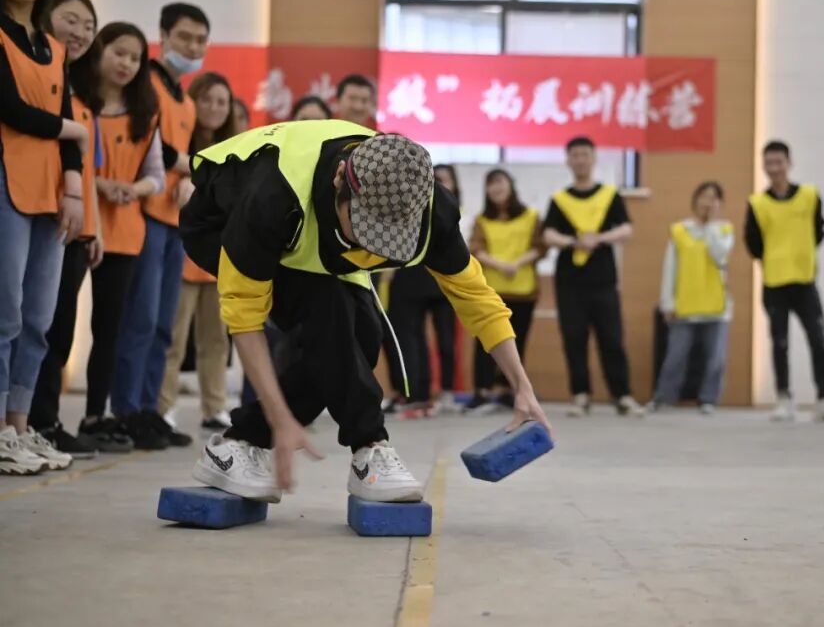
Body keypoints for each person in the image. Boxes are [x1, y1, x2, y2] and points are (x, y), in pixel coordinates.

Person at [179, 121, 551, 503]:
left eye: (391, 237)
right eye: (368, 229)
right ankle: (369, 447)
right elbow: (245, 321)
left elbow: (478, 300)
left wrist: (522, 386)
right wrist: (280, 418)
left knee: (366, 339)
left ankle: (236, 446)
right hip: (221, 221)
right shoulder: (273, 196)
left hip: (320, 244)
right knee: (329, 315)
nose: (375, 247)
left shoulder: (430, 209)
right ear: (340, 179)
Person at [0, 0, 89, 475]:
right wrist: (72, 129)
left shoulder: (52, 46)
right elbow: (10, 109)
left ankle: (18, 425)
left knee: (38, 317)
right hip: (6, 180)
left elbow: (66, 123)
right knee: (4, 313)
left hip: (51, 190)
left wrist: (73, 188)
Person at [110, 2, 208, 447]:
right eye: (184, 37)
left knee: (165, 324)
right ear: (164, 36)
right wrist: (189, 163)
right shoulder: (144, 82)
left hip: (174, 221)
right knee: (141, 318)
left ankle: (150, 410)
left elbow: (177, 158)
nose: (192, 46)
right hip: (144, 214)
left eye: (200, 40)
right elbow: (155, 147)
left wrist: (187, 173)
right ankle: (126, 410)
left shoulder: (186, 100)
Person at [67, 22, 166, 451]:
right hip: (77, 225)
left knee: (109, 329)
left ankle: (95, 416)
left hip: (125, 232)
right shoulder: (75, 101)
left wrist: (132, 188)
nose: (126, 63)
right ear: (99, 50)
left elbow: (156, 175)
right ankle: (36, 415)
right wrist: (99, 185)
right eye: (119, 53)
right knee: (56, 323)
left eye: (135, 58)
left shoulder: (146, 113)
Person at [27, 0, 102, 459]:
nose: (80, 32)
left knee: (57, 327)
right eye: (71, 20)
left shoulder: (81, 91)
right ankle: (27, 420)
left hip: (74, 222)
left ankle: (44, 420)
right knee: (28, 322)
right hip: (35, 207)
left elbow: (86, 167)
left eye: (88, 26)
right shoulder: (36, 76)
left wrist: (94, 229)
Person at [158, 72, 238, 431]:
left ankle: (215, 407)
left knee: (216, 338)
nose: (214, 108)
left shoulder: (235, 149)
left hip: (219, 259)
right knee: (173, 336)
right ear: (193, 101)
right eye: (206, 99)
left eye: (222, 102)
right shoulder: (179, 142)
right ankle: (163, 405)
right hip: (181, 253)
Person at [543, 136, 644, 417]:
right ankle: (580, 395)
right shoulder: (560, 200)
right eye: (575, 155)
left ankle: (622, 395)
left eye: (584, 154)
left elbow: (626, 229)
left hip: (603, 280)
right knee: (574, 338)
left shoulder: (609, 196)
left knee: (612, 338)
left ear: (594, 158)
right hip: (569, 282)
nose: (580, 160)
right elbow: (548, 235)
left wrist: (598, 238)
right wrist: (574, 241)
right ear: (568, 160)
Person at [745, 141, 824, 421]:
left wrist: (801, 253)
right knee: (779, 343)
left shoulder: (809, 196)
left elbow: (819, 230)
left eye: (779, 162)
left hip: (805, 281)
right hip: (774, 282)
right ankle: (784, 398)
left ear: (789, 163)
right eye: (769, 163)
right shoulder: (757, 204)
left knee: (818, 339)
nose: (774, 168)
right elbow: (753, 242)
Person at [651, 181, 734, 414]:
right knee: (675, 356)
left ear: (720, 204)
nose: (707, 202)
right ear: (695, 200)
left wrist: (710, 226)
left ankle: (708, 399)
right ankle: (664, 397)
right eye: (704, 196)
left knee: (715, 358)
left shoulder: (724, 230)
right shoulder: (680, 230)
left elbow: (720, 256)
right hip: (685, 305)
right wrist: (667, 302)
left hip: (716, 305)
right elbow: (670, 268)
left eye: (713, 198)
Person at [386, 164, 463, 415]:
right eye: (433, 179)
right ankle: (415, 394)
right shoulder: (407, 208)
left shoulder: (456, 212)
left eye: (443, 179)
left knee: (446, 341)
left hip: (444, 280)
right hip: (410, 279)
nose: (437, 184)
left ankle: (447, 391)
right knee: (411, 339)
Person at [466, 168, 544, 413]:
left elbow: (539, 246)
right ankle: (481, 390)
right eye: (491, 184)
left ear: (511, 185)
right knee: (485, 342)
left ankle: (510, 390)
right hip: (490, 291)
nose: (496, 188)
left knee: (517, 342)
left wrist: (517, 264)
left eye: (500, 182)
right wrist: (501, 265)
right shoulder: (481, 220)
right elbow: (476, 249)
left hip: (524, 291)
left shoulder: (531, 216)